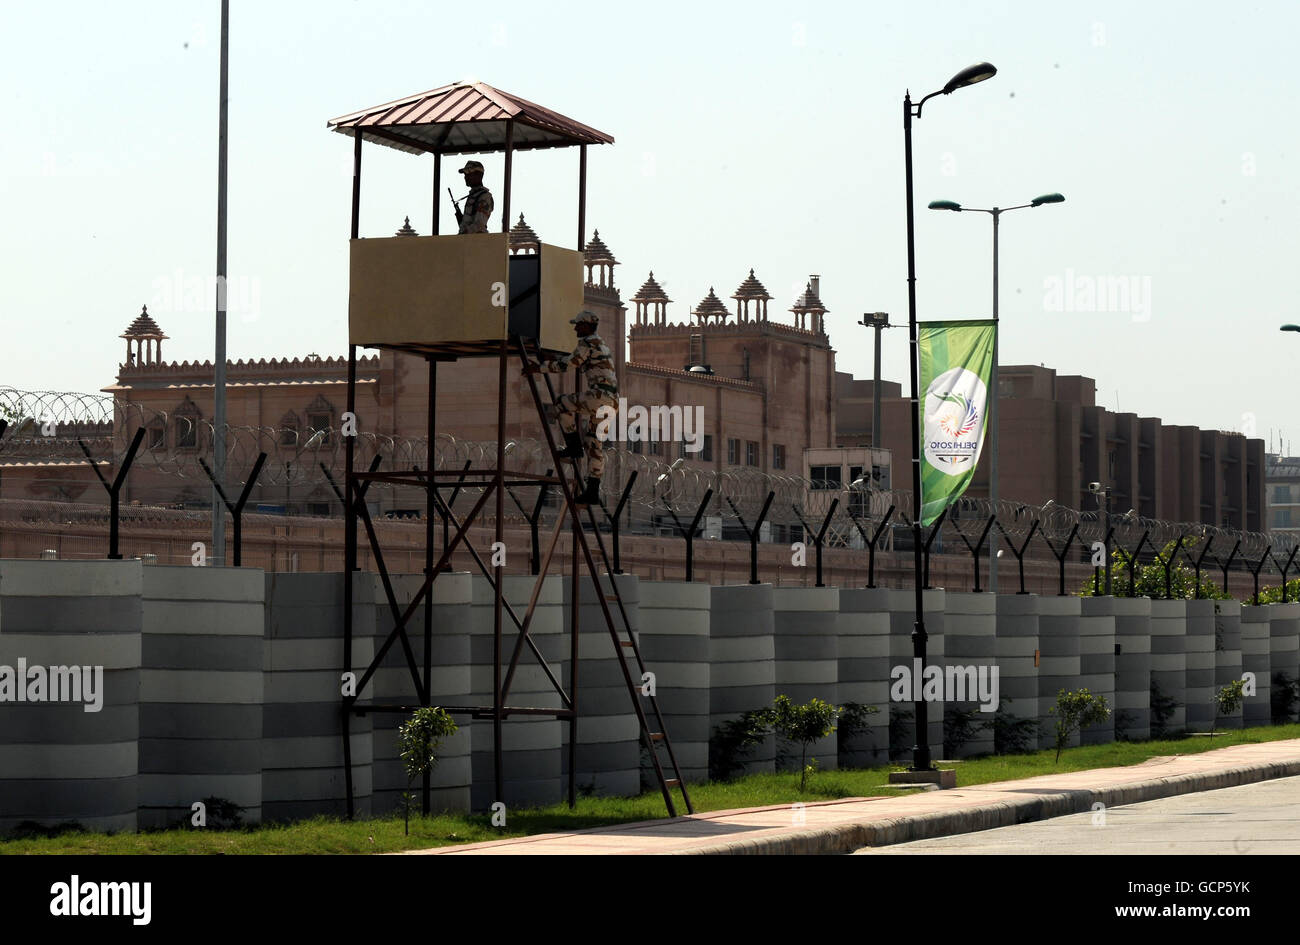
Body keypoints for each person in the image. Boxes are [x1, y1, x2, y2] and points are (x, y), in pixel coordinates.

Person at [525, 310, 617, 506]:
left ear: (587, 326)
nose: (575, 328)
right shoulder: (600, 344)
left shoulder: (587, 343)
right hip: (611, 402)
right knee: (594, 444)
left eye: (578, 325)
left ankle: (574, 447)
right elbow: (574, 358)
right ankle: (593, 490)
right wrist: (551, 356)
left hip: (599, 396)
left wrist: (538, 368)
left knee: (560, 403)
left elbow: (569, 364)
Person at [456, 160, 494, 234]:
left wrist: (464, 233)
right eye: (465, 174)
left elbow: (479, 224)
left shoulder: (484, 196)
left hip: (477, 240)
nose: (465, 177)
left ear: (479, 175)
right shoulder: (473, 195)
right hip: (468, 240)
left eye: (469, 173)